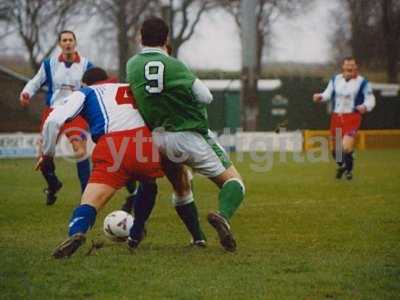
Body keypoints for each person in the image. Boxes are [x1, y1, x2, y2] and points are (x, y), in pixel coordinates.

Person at [127, 17, 245, 252]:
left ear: (141, 37)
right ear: (166, 39)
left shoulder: (131, 66)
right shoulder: (174, 65)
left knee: (181, 186)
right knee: (235, 183)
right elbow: (205, 97)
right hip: (190, 135)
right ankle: (222, 216)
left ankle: (198, 237)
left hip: (158, 139)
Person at [38, 67, 164, 258]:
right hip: (143, 143)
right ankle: (136, 233)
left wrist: (47, 154)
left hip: (112, 145)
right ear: (109, 79)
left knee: (89, 203)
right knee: (149, 183)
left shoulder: (86, 92)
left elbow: (53, 121)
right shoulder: (129, 87)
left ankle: (77, 233)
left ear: (85, 83)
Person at [20, 30, 93, 205]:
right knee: (43, 156)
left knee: (80, 151)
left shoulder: (86, 65)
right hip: (53, 111)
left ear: (75, 43)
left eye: (70, 40)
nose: (67, 43)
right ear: (60, 44)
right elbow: (35, 81)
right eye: (64, 40)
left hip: (76, 111)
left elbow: (94, 85)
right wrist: (26, 93)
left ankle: (86, 196)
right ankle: (53, 185)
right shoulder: (49, 64)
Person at [313, 57, 375, 179]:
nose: (349, 67)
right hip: (337, 118)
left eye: (352, 65)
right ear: (343, 67)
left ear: (355, 67)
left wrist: (365, 106)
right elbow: (327, 93)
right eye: (347, 65)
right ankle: (344, 165)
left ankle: (349, 170)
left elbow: (371, 99)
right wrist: (320, 96)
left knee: (346, 146)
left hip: (352, 118)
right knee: (336, 152)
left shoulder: (363, 83)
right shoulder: (336, 79)